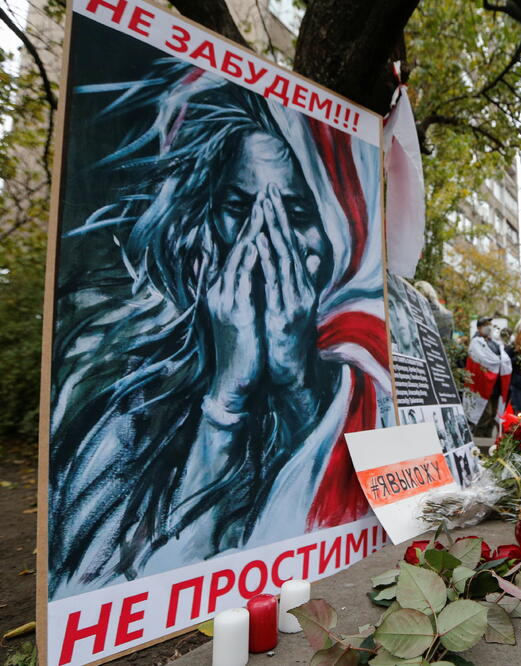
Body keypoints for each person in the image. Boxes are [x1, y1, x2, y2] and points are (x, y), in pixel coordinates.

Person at [48, 64, 389, 594]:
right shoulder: (134, 413)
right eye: (239, 207)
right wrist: (226, 400)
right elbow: (103, 587)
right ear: (207, 219)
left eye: (294, 214)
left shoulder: (367, 394)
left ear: (336, 234)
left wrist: (298, 384)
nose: (263, 240)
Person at [463, 317, 512, 437]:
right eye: (486, 324)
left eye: (490, 324)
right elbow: (483, 360)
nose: (488, 327)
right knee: (484, 415)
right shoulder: (476, 343)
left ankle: (488, 443)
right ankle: (479, 443)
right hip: (482, 386)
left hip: (495, 386)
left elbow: (502, 359)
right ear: (479, 328)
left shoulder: (494, 343)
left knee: (492, 415)